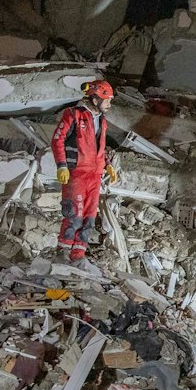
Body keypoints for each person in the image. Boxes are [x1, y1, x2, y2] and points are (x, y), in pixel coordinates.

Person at [52, 79, 114, 260]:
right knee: (74, 215)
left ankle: (78, 255)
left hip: (94, 175)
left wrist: (108, 165)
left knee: (89, 218)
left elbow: (100, 146)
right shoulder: (73, 114)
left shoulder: (102, 121)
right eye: (107, 100)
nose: (109, 104)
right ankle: (63, 253)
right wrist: (62, 166)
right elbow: (57, 140)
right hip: (77, 174)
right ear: (95, 100)